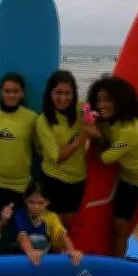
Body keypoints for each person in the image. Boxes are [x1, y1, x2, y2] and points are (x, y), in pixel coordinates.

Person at [84, 76, 138, 266]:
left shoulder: (132, 130)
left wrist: (94, 138)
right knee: (119, 227)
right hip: (128, 178)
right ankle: (117, 268)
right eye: (98, 99)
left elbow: (104, 159)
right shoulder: (106, 120)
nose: (101, 104)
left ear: (119, 100)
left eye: (107, 100)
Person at [0, 73, 38, 254]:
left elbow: (39, 150)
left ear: (22, 93)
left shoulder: (31, 118)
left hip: (21, 185)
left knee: (19, 232)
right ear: (1, 92)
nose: (11, 95)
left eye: (15, 91)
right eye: (7, 91)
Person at [36, 70, 88, 230]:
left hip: (78, 180)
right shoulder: (43, 121)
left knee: (72, 227)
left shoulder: (81, 108)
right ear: (50, 93)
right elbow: (57, 157)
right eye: (58, 92)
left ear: (74, 93)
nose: (63, 98)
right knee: (54, 229)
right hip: (53, 180)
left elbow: (97, 120)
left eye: (68, 93)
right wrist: (82, 137)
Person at [0, 186, 83, 266]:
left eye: (41, 203)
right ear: (25, 199)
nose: (36, 207)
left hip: (44, 261)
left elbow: (61, 233)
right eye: (31, 202)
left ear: (47, 202)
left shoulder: (51, 217)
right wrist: (30, 251)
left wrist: (71, 250)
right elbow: (23, 236)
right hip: (23, 261)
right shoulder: (19, 215)